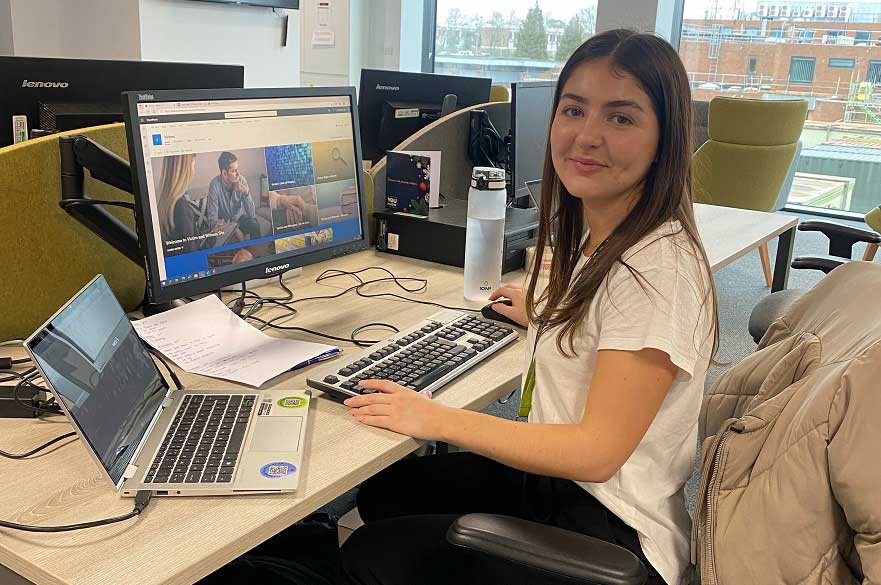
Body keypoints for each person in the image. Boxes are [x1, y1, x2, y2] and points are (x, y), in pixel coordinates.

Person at [338, 29, 719, 585]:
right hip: (570, 491)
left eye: (621, 118)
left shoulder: (655, 271)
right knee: (389, 490)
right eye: (573, 110)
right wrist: (551, 314)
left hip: (609, 525)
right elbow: (610, 332)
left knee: (369, 553)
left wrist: (433, 417)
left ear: (667, 136)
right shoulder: (617, 234)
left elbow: (595, 453)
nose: (586, 136)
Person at [206, 151, 262, 242]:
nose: (238, 174)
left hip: (239, 219)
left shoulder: (241, 180)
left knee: (254, 224)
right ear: (224, 173)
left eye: (237, 169)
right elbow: (212, 220)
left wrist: (246, 193)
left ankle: (257, 253)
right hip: (223, 224)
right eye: (233, 171)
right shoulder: (214, 185)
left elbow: (252, 215)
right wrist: (234, 229)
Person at [156, 153, 201, 254]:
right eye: (193, 166)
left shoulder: (162, 202)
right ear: (186, 170)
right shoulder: (182, 208)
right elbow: (192, 256)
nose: (194, 171)